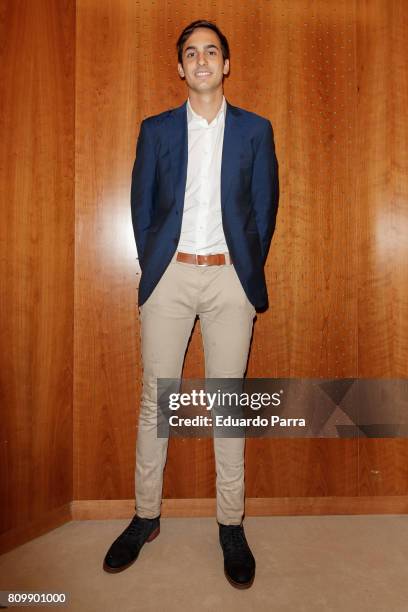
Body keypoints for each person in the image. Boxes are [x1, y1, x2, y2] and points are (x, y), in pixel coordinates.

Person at [103, 19, 279, 589]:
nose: (201, 60)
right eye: (190, 53)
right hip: (170, 280)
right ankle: (145, 515)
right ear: (180, 68)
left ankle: (231, 525)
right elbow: (142, 208)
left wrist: (244, 270)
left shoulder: (256, 130)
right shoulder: (155, 131)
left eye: (211, 52)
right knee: (159, 403)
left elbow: (262, 211)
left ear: (226, 65)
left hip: (230, 280)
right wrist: (155, 268)